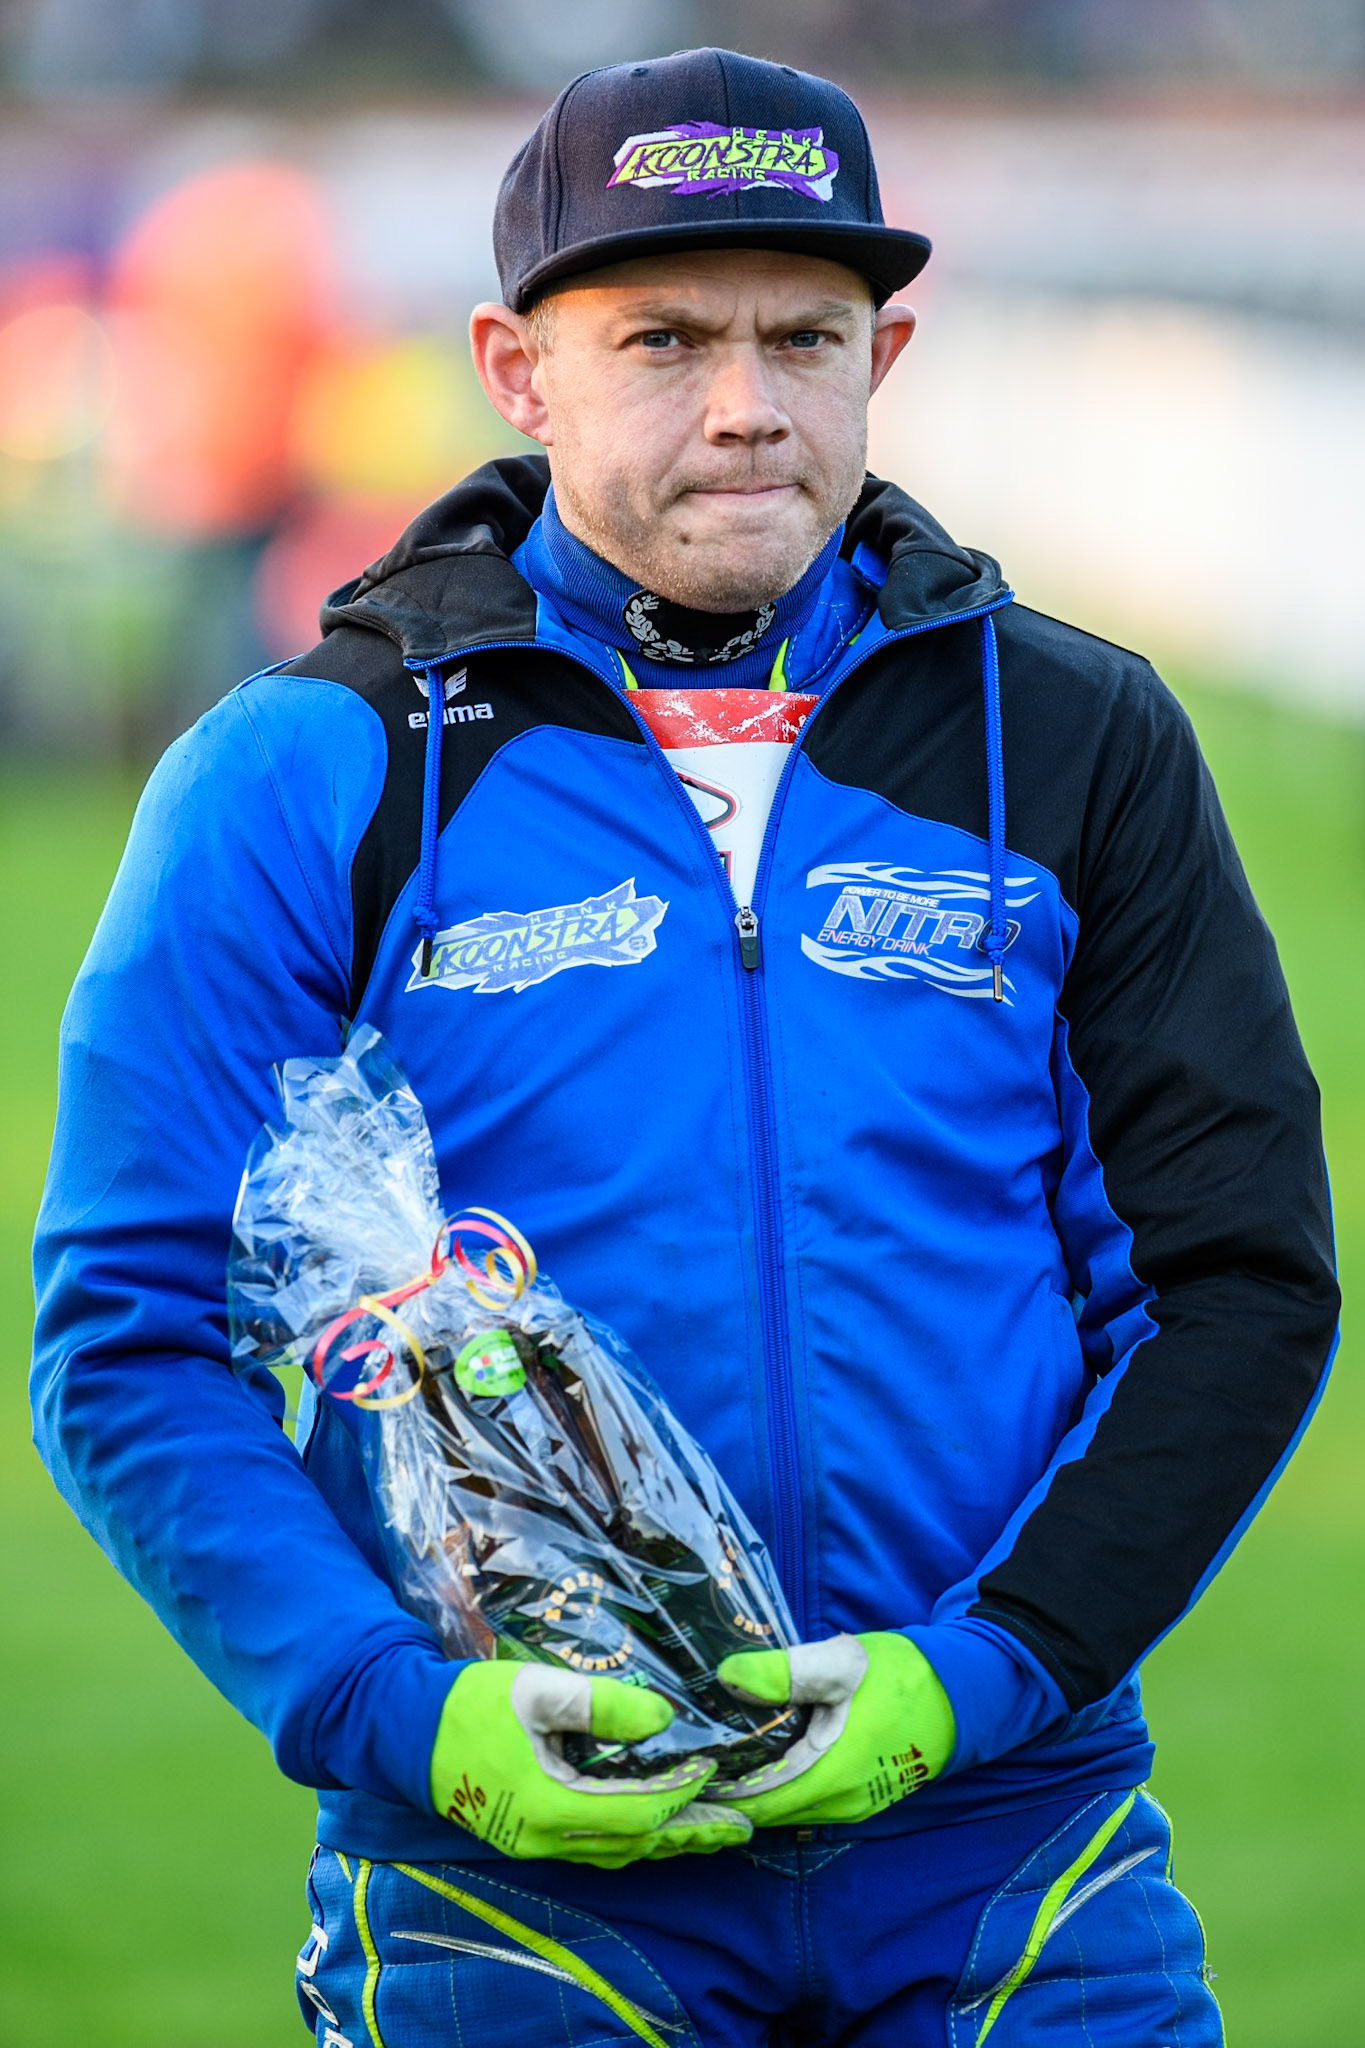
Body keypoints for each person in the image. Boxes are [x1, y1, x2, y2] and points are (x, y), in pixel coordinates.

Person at [32, 46, 1337, 2048]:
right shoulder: (304, 771)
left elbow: (1235, 1284)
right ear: (509, 364)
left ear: (881, 354)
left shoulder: (1075, 742)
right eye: (659, 337)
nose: (744, 404)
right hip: (510, 1889)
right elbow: (124, 1326)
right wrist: (409, 1718)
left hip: (1013, 1853)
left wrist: (977, 1672)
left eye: (800, 336)